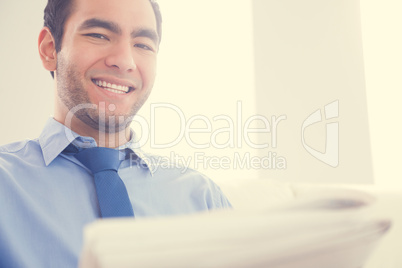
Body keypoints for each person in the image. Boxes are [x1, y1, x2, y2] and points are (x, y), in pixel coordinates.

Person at [0, 0, 231, 267]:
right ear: (50, 49)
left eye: (143, 44)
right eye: (99, 35)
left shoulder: (203, 199)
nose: (124, 61)